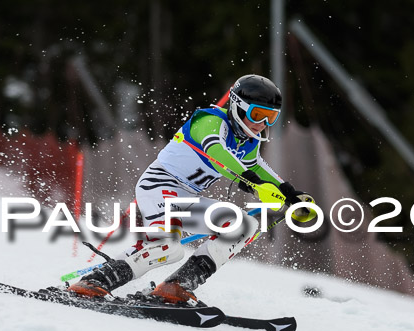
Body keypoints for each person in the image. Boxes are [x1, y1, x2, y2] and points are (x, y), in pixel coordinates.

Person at [67, 74, 315, 306]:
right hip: (159, 186)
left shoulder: (247, 140)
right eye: (258, 114)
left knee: (242, 226)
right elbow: (217, 154)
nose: (262, 123)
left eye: (270, 117)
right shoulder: (210, 121)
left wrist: (291, 195)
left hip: (185, 198)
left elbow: (259, 167)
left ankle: (176, 287)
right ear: (237, 106)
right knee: (167, 248)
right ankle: (94, 282)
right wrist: (253, 184)